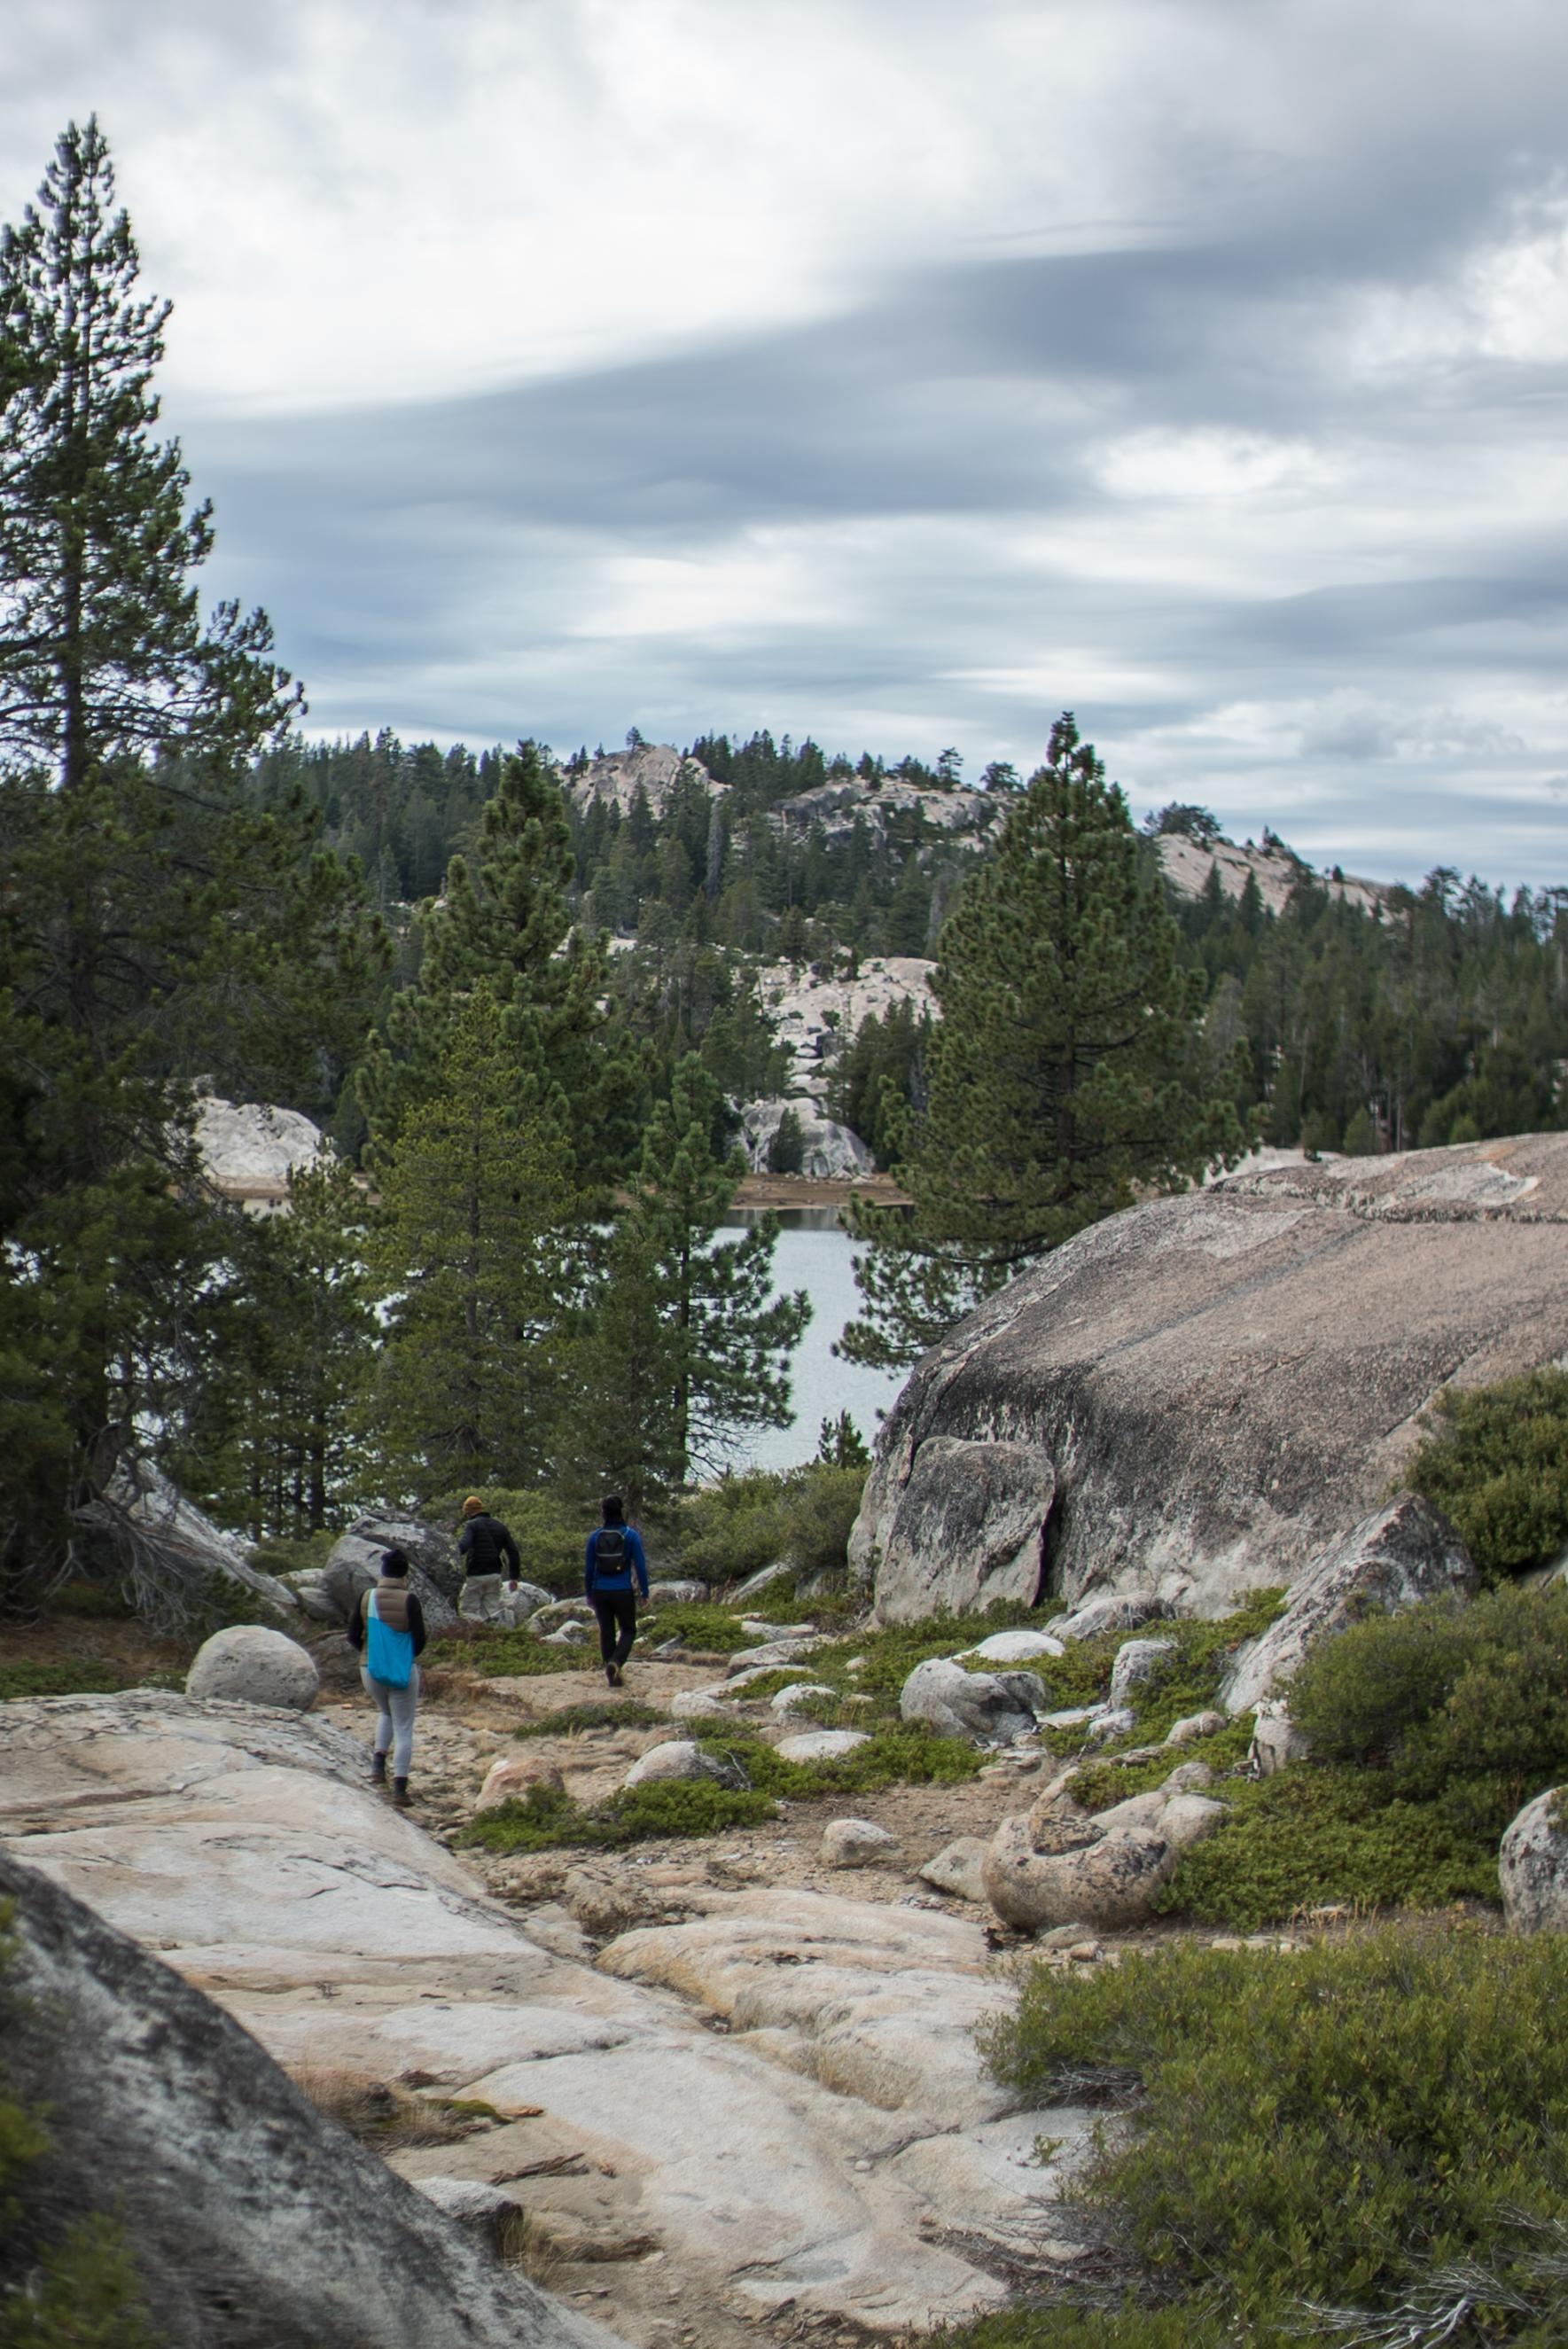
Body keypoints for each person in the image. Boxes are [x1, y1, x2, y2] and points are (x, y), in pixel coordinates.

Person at [347, 1547, 426, 1807]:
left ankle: (377, 1767)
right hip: (402, 1671)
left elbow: (353, 1635)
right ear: (405, 1574)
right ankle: (400, 1789)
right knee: (403, 1727)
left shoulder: (366, 1597)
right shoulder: (410, 1600)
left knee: (385, 1712)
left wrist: (370, 1655)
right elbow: (420, 1640)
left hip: (369, 1669)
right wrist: (400, 1657)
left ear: (382, 1571)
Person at [584, 1495, 649, 1687]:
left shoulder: (595, 1537)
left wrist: (589, 1593)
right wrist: (645, 1592)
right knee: (628, 1630)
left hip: (600, 1591)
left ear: (603, 1513)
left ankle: (611, 1672)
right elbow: (641, 1566)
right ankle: (616, 1662)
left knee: (607, 1632)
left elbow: (589, 1569)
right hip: (623, 1590)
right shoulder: (630, 1535)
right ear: (621, 1511)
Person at [456, 1494, 521, 1625]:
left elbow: (463, 1546)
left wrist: (451, 1550)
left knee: (468, 1611)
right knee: (492, 1613)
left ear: (468, 1512)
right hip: (494, 1575)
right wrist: (514, 1577)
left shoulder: (472, 1525)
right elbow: (513, 1552)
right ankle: (491, 1634)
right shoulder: (500, 1526)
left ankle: (478, 1633)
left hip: (476, 1574)